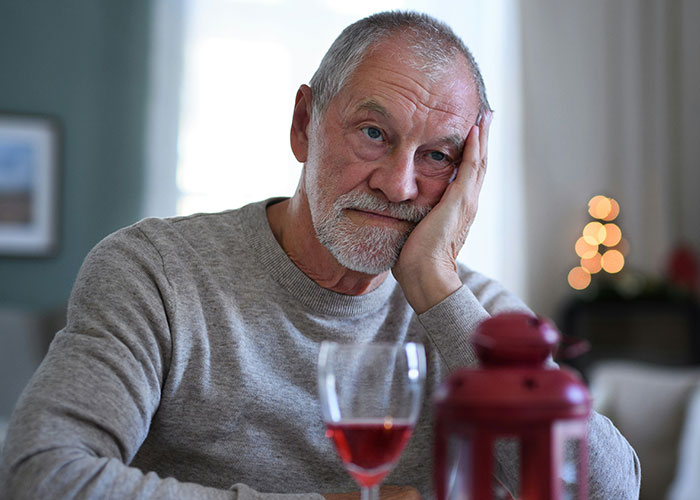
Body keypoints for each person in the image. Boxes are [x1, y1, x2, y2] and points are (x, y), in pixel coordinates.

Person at [0, 11, 640, 500]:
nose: (399, 184)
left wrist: (436, 286)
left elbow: (609, 490)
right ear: (304, 123)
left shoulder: (469, 312)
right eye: (372, 133)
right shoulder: (155, 273)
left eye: (438, 156)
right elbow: (42, 474)